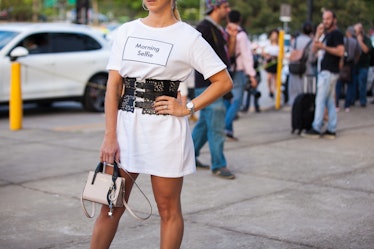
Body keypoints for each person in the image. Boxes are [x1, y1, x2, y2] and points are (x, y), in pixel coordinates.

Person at [90, 0, 233, 248]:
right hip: (125, 130)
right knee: (109, 205)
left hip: (166, 133)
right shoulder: (127, 31)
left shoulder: (189, 37)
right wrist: (109, 135)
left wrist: (187, 107)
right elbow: (113, 86)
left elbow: (223, 81)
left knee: (168, 210)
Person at [191, 0, 236, 179]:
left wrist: (231, 37)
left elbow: (227, 57)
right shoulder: (204, 28)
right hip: (209, 84)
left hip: (214, 83)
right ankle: (218, 164)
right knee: (216, 126)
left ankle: (189, 156)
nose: (228, 10)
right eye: (225, 6)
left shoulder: (217, 28)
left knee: (204, 124)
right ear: (216, 7)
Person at [301, 9, 344, 140]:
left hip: (329, 72)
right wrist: (318, 35)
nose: (325, 21)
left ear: (334, 20)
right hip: (324, 71)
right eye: (324, 19)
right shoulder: (325, 35)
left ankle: (316, 126)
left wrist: (324, 47)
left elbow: (341, 52)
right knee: (329, 101)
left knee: (320, 100)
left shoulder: (336, 34)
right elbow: (313, 50)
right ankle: (331, 128)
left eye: (328, 19)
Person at [224, 9, 257, 140]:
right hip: (238, 71)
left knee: (228, 100)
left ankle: (229, 131)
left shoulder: (224, 31)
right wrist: (252, 75)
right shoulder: (241, 34)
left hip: (226, 70)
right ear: (240, 19)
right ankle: (224, 127)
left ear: (228, 19)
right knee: (237, 102)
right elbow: (246, 55)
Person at [287, 21, 314, 106]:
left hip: (294, 69)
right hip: (306, 69)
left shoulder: (295, 41)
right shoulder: (311, 42)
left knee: (294, 92)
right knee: (306, 92)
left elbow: (291, 52)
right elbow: (313, 58)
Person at [335, 26, 361, 112]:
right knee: (350, 86)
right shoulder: (356, 42)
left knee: (339, 85)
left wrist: (341, 61)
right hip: (351, 65)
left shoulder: (344, 40)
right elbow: (358, 54)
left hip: (343, 65)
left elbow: (341, 52)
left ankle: (337, 104)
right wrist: (355, 62)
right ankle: (347, 105)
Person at [353, 23, 373, 107]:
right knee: (353, 83)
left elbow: (366, 50)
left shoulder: (367, 39)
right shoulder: (352, 38)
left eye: (356, 30)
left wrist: (360, 41)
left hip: (364, 65)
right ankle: (352, 99)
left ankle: (362, 101)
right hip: (354, 65)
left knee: (362, 83)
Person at [263, 29, 280, 98]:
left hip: (277, 62)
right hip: (270, 61)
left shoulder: (279, 43)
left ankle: (274, 91)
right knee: (269, 77)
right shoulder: (268, 43)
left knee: (275, 78)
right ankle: (270, 90)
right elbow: (264, 52)